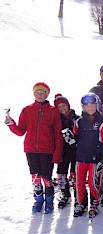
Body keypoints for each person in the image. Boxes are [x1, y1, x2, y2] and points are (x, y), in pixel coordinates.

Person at [5, 82, 63, 214]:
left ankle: (49, 200)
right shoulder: (27, 110)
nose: (40, 94)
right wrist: (11, 124)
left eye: (43, 92)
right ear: (34, 94)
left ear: (46, 94)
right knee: (35, 177)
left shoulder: (53, 111)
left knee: (47, 177)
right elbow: (20, 131)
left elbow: (58, 135)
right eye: (37, 92)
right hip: (31, 149)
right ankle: (38, 200)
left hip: (47, 150)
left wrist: (57, 154)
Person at [73, 93, 103, 218]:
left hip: (95, 159)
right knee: (79, 182)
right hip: (80, 158)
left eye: (92, 105)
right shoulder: (79, 122)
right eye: (87, 105)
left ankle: (94, 203)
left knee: (93, 183)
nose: (89, 107)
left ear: (98, 105)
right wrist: (70, 140)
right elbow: (75, 137)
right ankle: (81, 203)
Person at [54, 94, 79, 209]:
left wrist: (74, 137)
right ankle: (65, 194)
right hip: (62, 151)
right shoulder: (56, 120)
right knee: (62, 173)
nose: (62, 108)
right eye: (59, 107)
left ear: (68, 105)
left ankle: (78, 194)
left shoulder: (77, 118)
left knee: (75, 174)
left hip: (76, 151)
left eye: (64, 105)